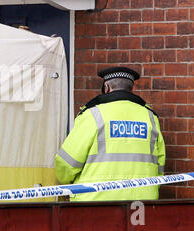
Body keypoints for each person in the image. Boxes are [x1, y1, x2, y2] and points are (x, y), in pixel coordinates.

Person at [55, 66, 166, 201]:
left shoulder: (92, 115)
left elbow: (67, 163)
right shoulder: (150, 117)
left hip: (96, 202)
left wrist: (65, 184)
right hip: (142, 201)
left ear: (106, 87)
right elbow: (160, 165)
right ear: (132, 89)